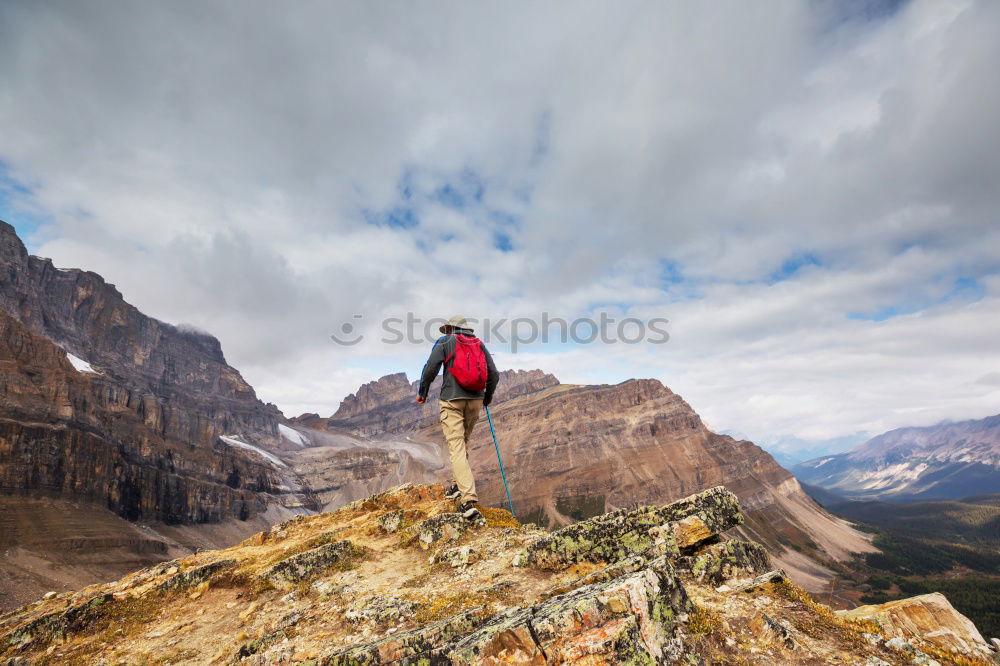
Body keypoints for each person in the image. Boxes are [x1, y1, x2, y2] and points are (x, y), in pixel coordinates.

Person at [416, 315, 499, 521]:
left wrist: (423, 392)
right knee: (463, 443)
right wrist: (486, 398)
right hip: (475, 400)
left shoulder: (446, 341)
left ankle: (468, 500)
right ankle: (457, 486)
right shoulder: (478, 344)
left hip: (452, 400)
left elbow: (431, 368)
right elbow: (494, 373)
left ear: (451, 328)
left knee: (456, 446)